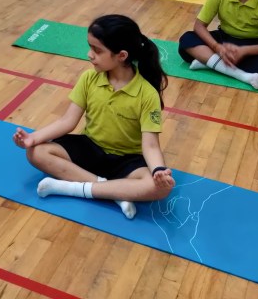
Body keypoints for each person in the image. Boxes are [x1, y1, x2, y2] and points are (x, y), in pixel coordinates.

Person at [13, 14, 175, 219]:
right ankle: (114, 192)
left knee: (160, 189)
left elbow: (150, 145)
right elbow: (67, 121)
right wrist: (32, 138)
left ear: (121, 55)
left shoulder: (147, 94)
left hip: (126, 160)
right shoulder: (89, 78)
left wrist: (158, 170)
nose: (90, 54)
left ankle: (71, 188)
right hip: (90, 148)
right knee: (36, 152)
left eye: (97, 50)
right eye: (90, 47)